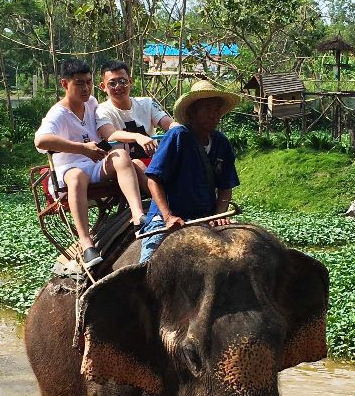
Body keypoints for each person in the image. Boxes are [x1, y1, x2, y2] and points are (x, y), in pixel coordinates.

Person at [34, 59, 148, 270]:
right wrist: (82, 148)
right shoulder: (58, 113)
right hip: (68, 168)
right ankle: (86, 242)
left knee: (121, 156)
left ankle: (138, 216)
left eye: (88, 82)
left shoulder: (92, 103)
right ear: (64, 84)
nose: (85, 88)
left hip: (94, 163)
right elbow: (40, 141)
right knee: (77, 176)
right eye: (79, 83)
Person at [139, 80, 241, 263]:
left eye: (217, 109)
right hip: (169, 218)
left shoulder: (221, 142)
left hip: (205, 217)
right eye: (208, 108)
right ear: (192, 112)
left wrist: (219, 216)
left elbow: (226, 187)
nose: (214, 114)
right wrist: (168, 216)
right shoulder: (178, 136)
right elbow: (153, 179)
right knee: (147, 266)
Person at [95, 60, 179, 193]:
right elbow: (110, 135)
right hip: (125, 166)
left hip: (154, 160)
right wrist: (138, 137)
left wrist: (178, 127)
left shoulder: (147, 103)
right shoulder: (102, 110)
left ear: (130, 81)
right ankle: (165, 205)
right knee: (136, 163)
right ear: (103, 86)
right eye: (112, 83)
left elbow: (167, 122)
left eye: (123, 81)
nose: (118, 87)